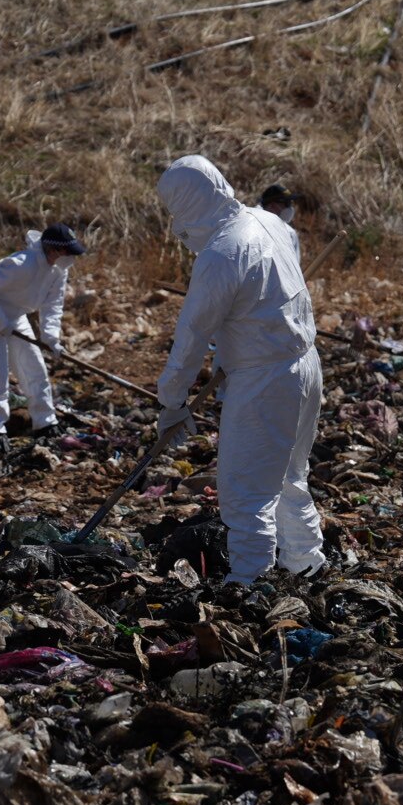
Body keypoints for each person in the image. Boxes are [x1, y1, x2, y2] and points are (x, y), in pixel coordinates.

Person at [155, 155, 325, 585]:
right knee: (290, 478)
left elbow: (192, 336)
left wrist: (172, 401)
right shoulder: (268, 222)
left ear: (187, 204)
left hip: (265, 380)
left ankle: (250, 584)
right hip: (305, 364)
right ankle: (306, 563)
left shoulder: (221, 253)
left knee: (246, 490)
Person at [0, 223, 86, 461]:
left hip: (16, 315)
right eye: (66, 251)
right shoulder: (20, 264)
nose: (69, 257)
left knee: (34, 366)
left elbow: (53, 305)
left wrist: (51, 338)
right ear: (54, 249)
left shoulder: (58, 271)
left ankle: (45, 422)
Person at [257, 183, 302, 260]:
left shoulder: (289, 233)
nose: (290, 208)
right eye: (287, 203)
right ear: (272, 205)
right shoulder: (252, 225)